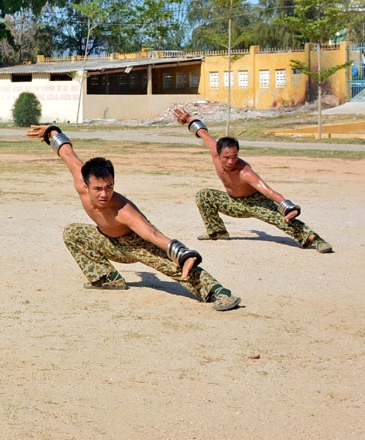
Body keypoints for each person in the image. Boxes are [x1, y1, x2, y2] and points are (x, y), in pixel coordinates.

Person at [26, 125, 241, 311]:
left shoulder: (124, 210)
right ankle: (107, 278)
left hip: (136, 241)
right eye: (98, 188)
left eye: (109, 187)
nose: (104, 194)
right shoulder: (79, 176)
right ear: (86, 185)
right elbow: (66, 152)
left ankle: (218, 292)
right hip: (107, 240)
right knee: (73, 233)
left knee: (174, 267)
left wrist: (184, 254)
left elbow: (153, 234)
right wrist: (51, 132)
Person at [173, 107, 332, 253]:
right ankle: (217, 232)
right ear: (218, 154)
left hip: (255, 202)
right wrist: (189, 119)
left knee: (281, 219)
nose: (231, 161)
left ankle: (315, 239)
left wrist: (290, 208)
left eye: (234, 156)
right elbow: (202, 132)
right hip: (233, 202)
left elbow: (268, 191)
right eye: (226, 157)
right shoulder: (214, 150)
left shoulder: (245, 172)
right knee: (204, 195)